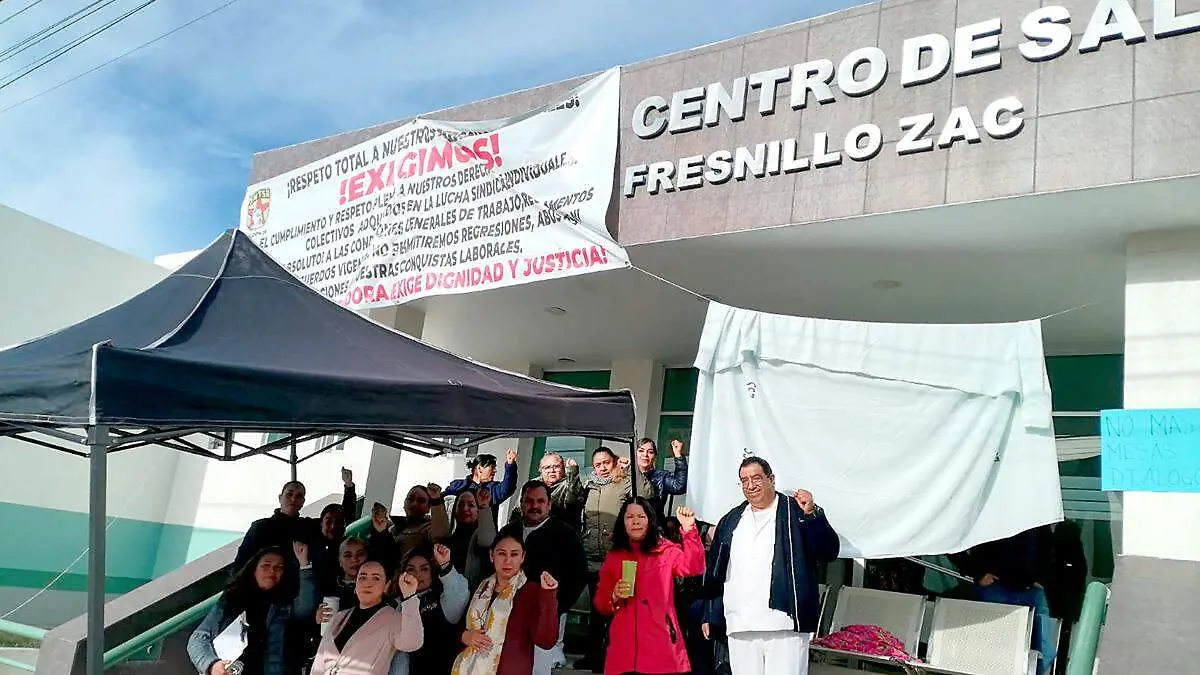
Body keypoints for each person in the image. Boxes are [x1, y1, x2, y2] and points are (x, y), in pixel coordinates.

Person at [703, 456, 840, 675]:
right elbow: (716, 570)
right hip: (740, 624)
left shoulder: (796, 511)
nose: (750, 485)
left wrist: (812, 515)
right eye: (744, 480)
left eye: (756, 478)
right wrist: (710, 613)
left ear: (771, 479)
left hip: (784, 623)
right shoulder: (731, 519)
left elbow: (829, 551)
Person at [594, 500, 705, 675]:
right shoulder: (614, 556)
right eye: (630, 517)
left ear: (650, 520)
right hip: (624, 651)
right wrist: (614, 596)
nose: (635, 521)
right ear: (622, 522)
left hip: (661, 648)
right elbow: (601, 603)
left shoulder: (664, 550)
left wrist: (689, 530)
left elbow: (693, 567)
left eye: (641, 516)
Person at [188, 544, 317, 675]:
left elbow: (305, 608)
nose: (272, 571)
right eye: (266, 565)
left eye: (279, 568)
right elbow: (197, 639)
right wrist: (212, 665)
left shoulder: (285, 604)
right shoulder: (232, 599)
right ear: (254, 568)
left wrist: (304, 563)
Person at [506, 480, 588, 674]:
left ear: (549, 504)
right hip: (508, 616)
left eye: (540, 501)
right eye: (529, 501)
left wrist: (557, 605)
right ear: (521, 503)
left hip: (547, 616)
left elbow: (578, 574)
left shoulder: (566, 534)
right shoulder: (509, 531)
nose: (535, 506)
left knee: (539, 667)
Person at [452, 531, 560, 675]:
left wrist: (548, 596)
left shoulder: (530, 591)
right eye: (502, 553)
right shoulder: (481, 587)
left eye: (514, 554)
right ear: (492, 555)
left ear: (523, 557)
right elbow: (457, 624)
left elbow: (546, 641)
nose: (508, 560)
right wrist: (465, 636)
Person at [956, 526, 1058, 675]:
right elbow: (953, 539)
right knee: (993, 651)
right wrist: (977, 572)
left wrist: (1041, 576)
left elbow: (1046, 543)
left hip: (1030, 588)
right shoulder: (990, 507)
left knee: (1044, 650)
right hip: (997, 588)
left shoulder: (1036, 509)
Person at [233, 475, 357, 592]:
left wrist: (349, 486)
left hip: (294, 593)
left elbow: (338, 519)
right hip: (263, 590)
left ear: (302, 502)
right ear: (280, 498)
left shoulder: (306, 526)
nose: (293, 499)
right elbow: (241, 563)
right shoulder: (260, 527)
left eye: (298, 496)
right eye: (289, 494)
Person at [311, 561, 424, 675]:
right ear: (356, 584)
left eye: (376, 578)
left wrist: (410, 597)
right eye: (362, 577)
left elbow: (412, 643)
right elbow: (318, 664)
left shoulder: (392, 618)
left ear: (386, 585)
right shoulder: (339, 617)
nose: (367, 583)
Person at [577, 447, 632, 672]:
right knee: (597, 610)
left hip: (617, 556)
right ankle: (593, 656)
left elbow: (645, 495)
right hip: (593, 556)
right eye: (598, 464)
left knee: (619, 609)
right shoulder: (588, 485)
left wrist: (629, 472)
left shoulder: (624, 482)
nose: (602, 467)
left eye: (606, 463)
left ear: (614, 462)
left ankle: (616, 656)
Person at [388, 544, 471, 675]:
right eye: (411, 570)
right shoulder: (395, 605)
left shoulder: (440, 597)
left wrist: (446, 565)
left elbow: (459, 596)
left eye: (424, 569)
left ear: (432, 573)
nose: (417, 575)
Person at [367, 484, 451, 574]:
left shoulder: (428, 528)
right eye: (410, 499)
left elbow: (440, 536)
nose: (414, 503)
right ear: (404, 503)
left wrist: (436, 500)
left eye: (421, 501)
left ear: (428, 507)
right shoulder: (392, 528)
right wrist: (378, 532)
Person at [443, 487, 498, 591]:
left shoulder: (481, 535)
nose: (465, 508)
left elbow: (488, 542)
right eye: (461, 505)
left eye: (471, 505)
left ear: (478, 511)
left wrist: (484, 506)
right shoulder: (450, 539)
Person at [508, 452, 584, 526]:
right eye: (547, 467)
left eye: (556, 466)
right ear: (541, 470)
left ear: (563, 469)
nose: (552, 471)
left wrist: (573, 473)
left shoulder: (570, 484)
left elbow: (573, 503)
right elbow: (518, 511)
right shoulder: (531, 486)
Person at [445, 450, 520, 513]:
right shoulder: (457, 486)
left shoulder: (493, 489)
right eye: (492, 467)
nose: (495, 471)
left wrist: (510, 465)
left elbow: (508, 487)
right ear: (479, 468)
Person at [633, 438, 689, 517]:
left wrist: (678, 455)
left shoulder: (661, 476)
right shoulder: (627, 474)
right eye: (641, 451)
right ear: (634, 453)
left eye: (650, 452)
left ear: (655, 456)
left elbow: (679, 486)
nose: (645, 455)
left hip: (654, 525)